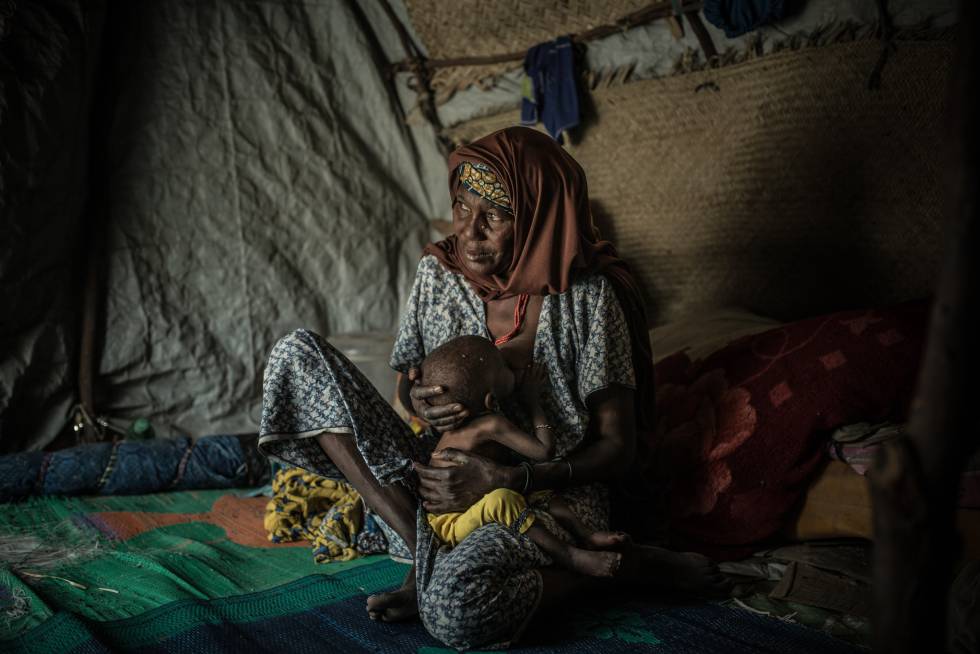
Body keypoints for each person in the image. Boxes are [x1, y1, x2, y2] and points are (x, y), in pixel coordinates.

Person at [258, 126, 729, 651]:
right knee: (295, 355)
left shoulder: (590, 298)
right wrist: (418, 403)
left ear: (539, 217)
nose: (469, 232)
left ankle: (612, 568)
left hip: (551, 501)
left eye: (496, 215)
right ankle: (426, 555)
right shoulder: (439, 274)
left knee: (454, 615)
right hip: (442, 493)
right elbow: (406, 391)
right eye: (461, 207)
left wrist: (511, 477)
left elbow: (620, 449)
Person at [420, 334, 629, 577]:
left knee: (541, 494)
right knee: (504, 499)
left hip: (452, 513)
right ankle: (570, 555)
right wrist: (533, 403)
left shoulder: (450, 427)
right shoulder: (491, 424)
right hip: (452, 524)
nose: (512, 369)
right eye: (505, 368)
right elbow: (543, 452)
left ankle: (587, 535)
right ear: (490, 399)